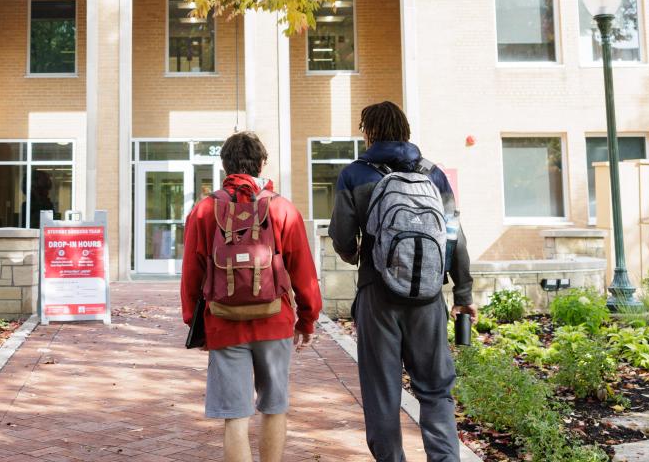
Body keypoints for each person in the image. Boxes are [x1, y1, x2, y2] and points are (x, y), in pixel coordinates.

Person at [328, 101, 474, 462]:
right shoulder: (433, 174)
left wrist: (360, 257)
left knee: (382, 392)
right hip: (428, 297)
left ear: (369, 132)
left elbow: (342, 237)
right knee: (436, 389)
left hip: (378, 293)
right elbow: (454, 236)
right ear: (405, 131)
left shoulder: (355, 175)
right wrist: (463, 292)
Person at [181, 131, 322, 462]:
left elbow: (191, 273)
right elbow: (303, 271)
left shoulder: (204, 210)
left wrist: (196, 323)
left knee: (236, 416)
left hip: (223, 322)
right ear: (261, 164)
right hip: (275, 321)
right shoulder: (281, 208)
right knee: (274, 408)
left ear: (224, 165)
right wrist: (307, 319)